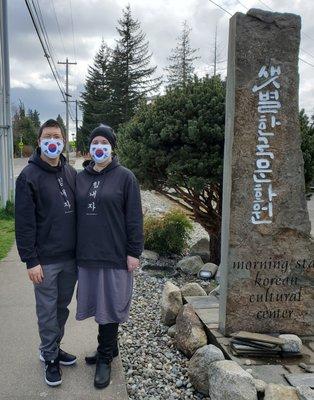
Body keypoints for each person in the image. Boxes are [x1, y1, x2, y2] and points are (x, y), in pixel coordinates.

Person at [75, 124, 144, 389]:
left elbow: (134, 218)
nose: (99, 146)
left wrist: (133, 252)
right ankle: (110, 347)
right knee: (96, 303)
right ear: (90, 148)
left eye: (104, 142)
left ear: (112, 147)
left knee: (110, 304)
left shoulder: (125, 177)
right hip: (88, 254)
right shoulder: (81, 177)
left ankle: (105, 357)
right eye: (95, 142)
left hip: (115, 254)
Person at [15, 119, 77, 387]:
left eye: (57, 136)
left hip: (70, 258)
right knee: (47, 312)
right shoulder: (28, 177)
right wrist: (31, 260)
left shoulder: (70, 173)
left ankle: (51, 347)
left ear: (64, 141)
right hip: (45, 262)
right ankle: (50, 358)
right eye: (47, 136)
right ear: (39, 141)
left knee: (61, 308)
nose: (53, 141)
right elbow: (24, 223)